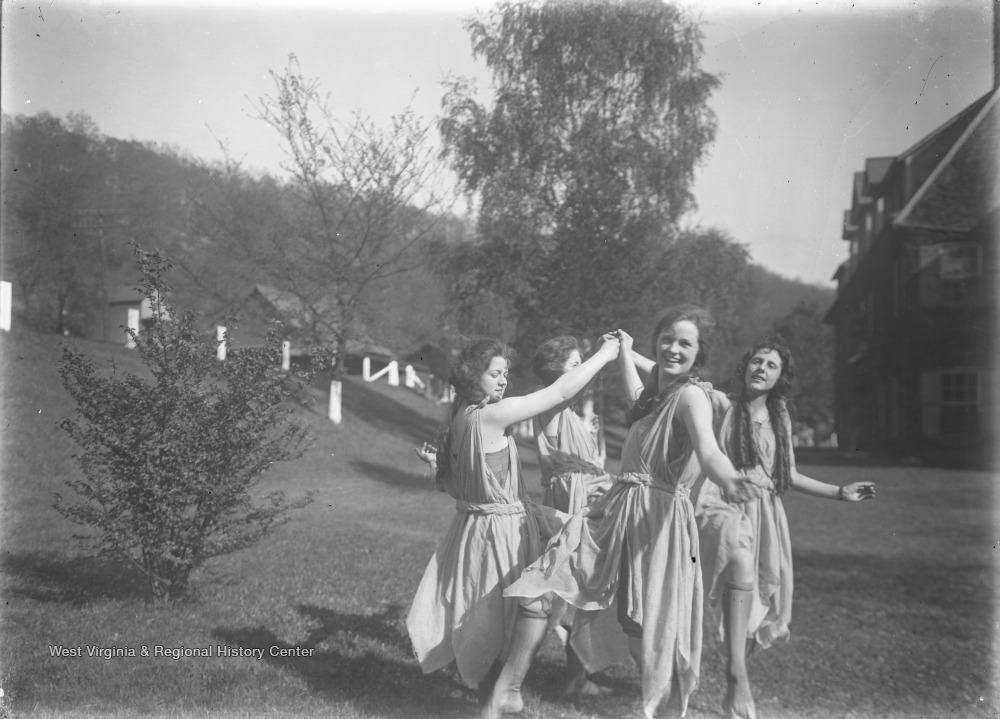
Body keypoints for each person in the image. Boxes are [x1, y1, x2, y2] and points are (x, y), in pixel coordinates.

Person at [484, 306, 764, 719]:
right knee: (546, 584)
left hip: (657, 520)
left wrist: (728, 479)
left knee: (644, 624)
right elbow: (638, 398)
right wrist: (626, 352)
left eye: (685, 343)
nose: (673, 348)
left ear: (699, 352)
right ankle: (506, 692)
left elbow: (707, 447)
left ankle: (668, 707)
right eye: (667, 339)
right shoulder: (655, 397)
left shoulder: (691, 396)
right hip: (617, 510)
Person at [404, 334, 621, 703]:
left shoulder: (459, 417)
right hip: (500, 530)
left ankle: (501, 694)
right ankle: (505, 693)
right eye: (494, 374)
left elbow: (457, 486)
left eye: (505, 373)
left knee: (512, 609)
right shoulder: (490, 415)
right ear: (472, 376)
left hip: (478, 528)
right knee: (518, 610)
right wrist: (604, 354)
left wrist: (435, 465)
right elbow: (560, 392)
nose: (503, 381)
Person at [694, 340, 876, 719]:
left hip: (767, 512)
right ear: (745, 366)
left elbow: (787, 474)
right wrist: (628, 352)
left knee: (763, 597)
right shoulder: (724, 405)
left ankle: (734, 682)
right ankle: (736, 676)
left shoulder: (780, 417)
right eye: (757, 361)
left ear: (780, 378)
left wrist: (839, 492)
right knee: (735, 584)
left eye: (771, 366)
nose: (761, 368)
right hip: (728, 505)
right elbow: (677, 379)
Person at [529, 336, 655, 696]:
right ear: (558, 372)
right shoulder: (550, 402)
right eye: (575, 364)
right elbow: (567, 393)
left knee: (581, 586)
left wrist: (592, 439)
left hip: (590, 499)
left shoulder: (567, 412)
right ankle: (565, 677)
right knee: (571, 587)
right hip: (572, 502)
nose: (583, 370)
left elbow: (582, 463)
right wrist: (605, 354)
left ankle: (577, 675)